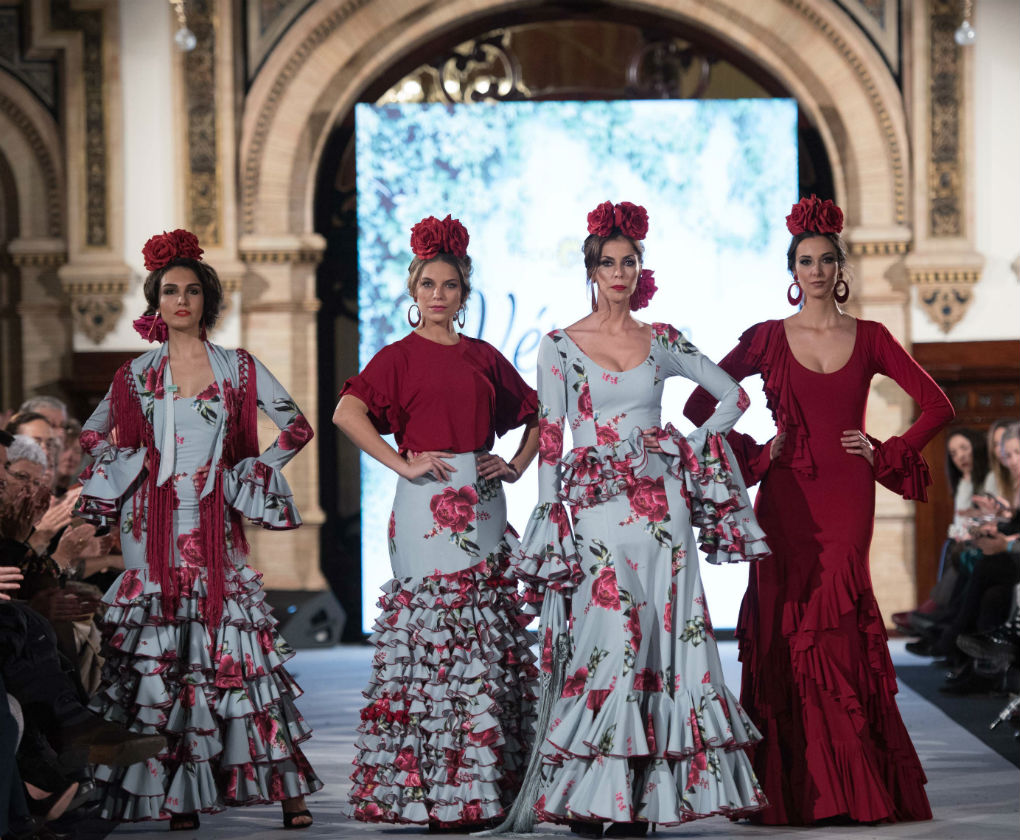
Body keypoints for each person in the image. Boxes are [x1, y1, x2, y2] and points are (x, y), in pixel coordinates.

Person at [497, 201, 769, 839]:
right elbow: (553, 433)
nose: (618, 272)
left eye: (629, 262)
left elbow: (733, 396)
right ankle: (593, 792)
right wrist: (548, 512)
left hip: (662, 515)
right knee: (605, 644)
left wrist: (684, 444)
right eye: (607, 263)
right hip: (593, 514)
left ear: (638, 269)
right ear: (591, 271)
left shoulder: (663, 338)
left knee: (661, 644)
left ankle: (639, 799)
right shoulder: (559, 345)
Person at [684, 195, 954, 825]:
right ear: (792, 271)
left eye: (825, 260)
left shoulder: (874, 337)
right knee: (785, 619)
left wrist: (888, 450)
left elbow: (939, 405)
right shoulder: (765, 339)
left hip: (847, 494)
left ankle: (850, 789)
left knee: (835, 620)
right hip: (784, 497)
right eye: (804, 261)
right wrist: (757, 450)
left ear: (839, 269)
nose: (814, 270)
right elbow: (701, 407)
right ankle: (798, 789)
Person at [74, 229, 321, 829]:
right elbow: (88, 436)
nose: (180, 301)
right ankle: (177, 798)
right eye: (168, 291)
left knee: (239, 656)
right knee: (165, 667)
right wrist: (131, 466)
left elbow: (296, 428)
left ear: (207, 298)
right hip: (150, 531)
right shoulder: (134, 375)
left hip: (216, 527)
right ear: (155, 303)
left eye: (190, 291)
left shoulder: (239, 368)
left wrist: (247, 473)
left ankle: (289, 794)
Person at [335, 214, 541, 830]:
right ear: (413, 290)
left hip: (479, 501)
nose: (438, 295)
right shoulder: (396, 357)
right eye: (428, 284)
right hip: (422, 504)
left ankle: (480, 789)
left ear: (463, 294)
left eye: (449, 286)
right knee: (430, 644)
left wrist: (515, 466)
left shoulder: (484, 357)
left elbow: (536, 415)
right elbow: (348, 413)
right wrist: (399, 460)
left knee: (482, 642)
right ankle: (437, 793)